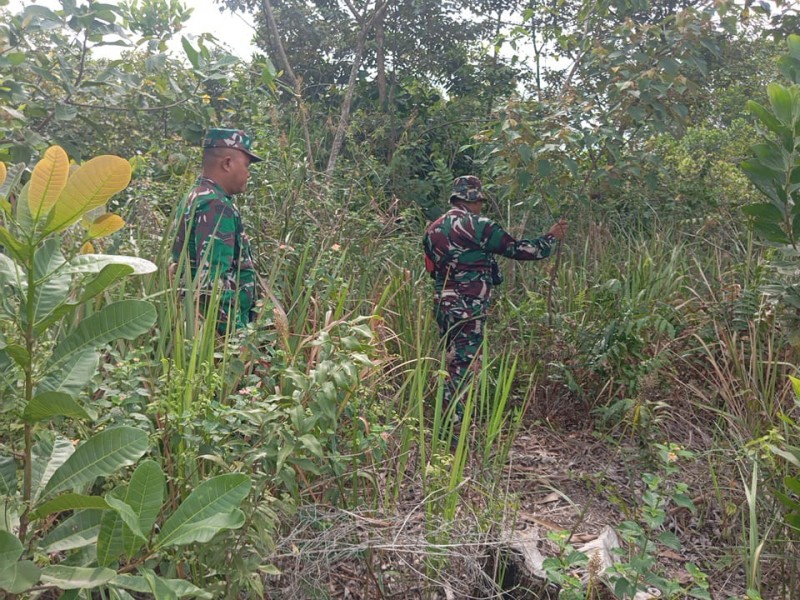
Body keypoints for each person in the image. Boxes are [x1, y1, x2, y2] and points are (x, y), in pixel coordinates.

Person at [423, 175, 568, 414]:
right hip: (469, 304)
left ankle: (441, 416)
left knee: (448, 359)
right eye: (480, 200)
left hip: (442, 303)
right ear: (473, 199)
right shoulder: (479, 225)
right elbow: (520, 250)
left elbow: (431, 268)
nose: (481, 205)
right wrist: (551, 237)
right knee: (465, 363)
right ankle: (454, 427)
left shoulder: (432, 228)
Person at [170, 128, 263, 333]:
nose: (248, 173)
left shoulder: (196, 195)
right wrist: (239, 342)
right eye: (246, 166)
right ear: (227, 163)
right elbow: (212, 285)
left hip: (198, 324)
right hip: (218, 335)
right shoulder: (215, 206)